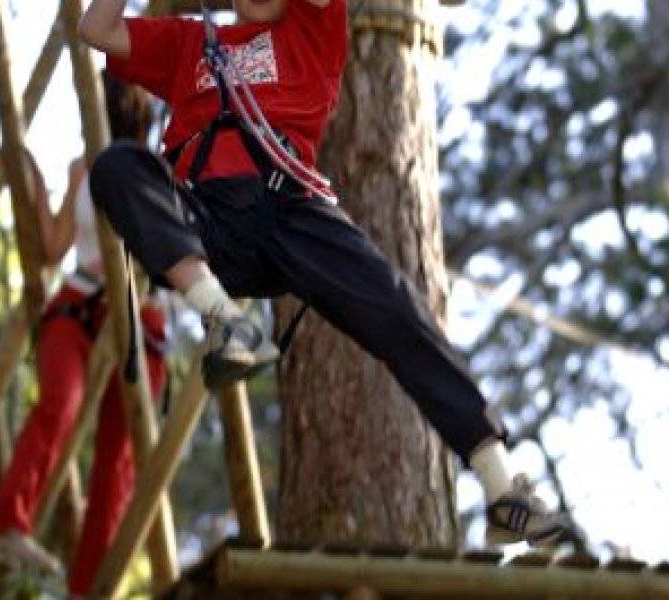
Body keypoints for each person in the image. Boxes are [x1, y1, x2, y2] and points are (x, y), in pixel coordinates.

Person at [78, 0, 568, 545]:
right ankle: (224, 319)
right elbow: (95, 29)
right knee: (119, 165)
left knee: (397, 312)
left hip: (292, 208)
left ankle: (503, 487)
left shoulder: (314, 22)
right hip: (211, 224)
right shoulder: (189, 42)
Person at [0, 75, 169, 597]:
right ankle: (8, 524)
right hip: (78, 306)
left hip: (139, 318)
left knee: (118, 460)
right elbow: (54, 245)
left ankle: (90, 589)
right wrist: (36, 182)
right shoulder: (82, 168)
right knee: (59, 405)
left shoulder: (161, 173)